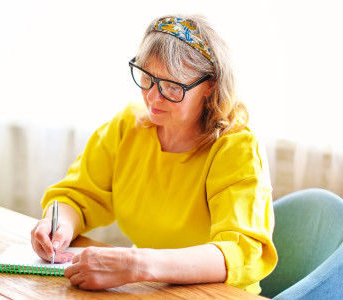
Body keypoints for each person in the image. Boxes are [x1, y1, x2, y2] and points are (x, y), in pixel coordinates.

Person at [30, 14, 277, 294]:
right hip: (152, 286)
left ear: (210, 86)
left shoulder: (236, 148)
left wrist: (136, 264)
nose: (153, 98)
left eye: (173, 87)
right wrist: (58, 225)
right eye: (147, 78)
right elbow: (78, 195)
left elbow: (239, 251)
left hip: (218, 293)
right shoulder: (128, 126)